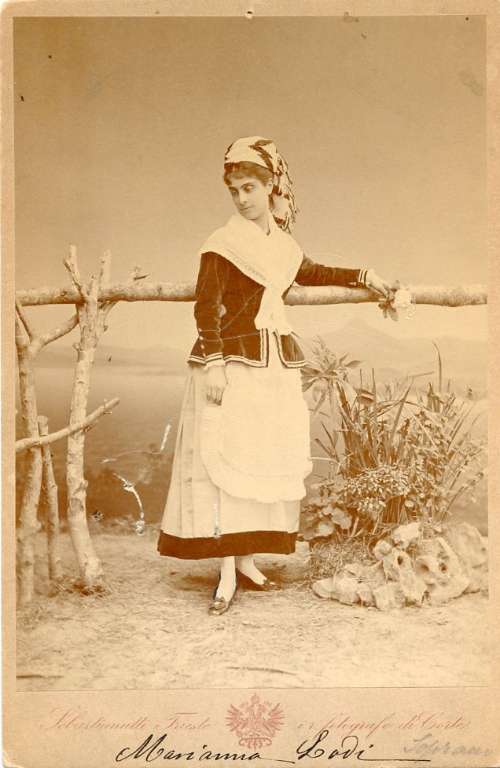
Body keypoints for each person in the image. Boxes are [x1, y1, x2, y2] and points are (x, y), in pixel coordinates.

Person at [157, 136, 392, 615]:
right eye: (234, 191)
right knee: (225, 463)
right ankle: (226, 570)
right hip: (230, 365)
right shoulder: (220, 245)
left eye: (249, 188)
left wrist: (365, 275)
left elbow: (314, 272)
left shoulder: (283, 247)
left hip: (273, 367)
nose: (242, 199)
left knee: (258, 458)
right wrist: (215, 364)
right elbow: (206, 308)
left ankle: (246, 560)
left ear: (270, 187)